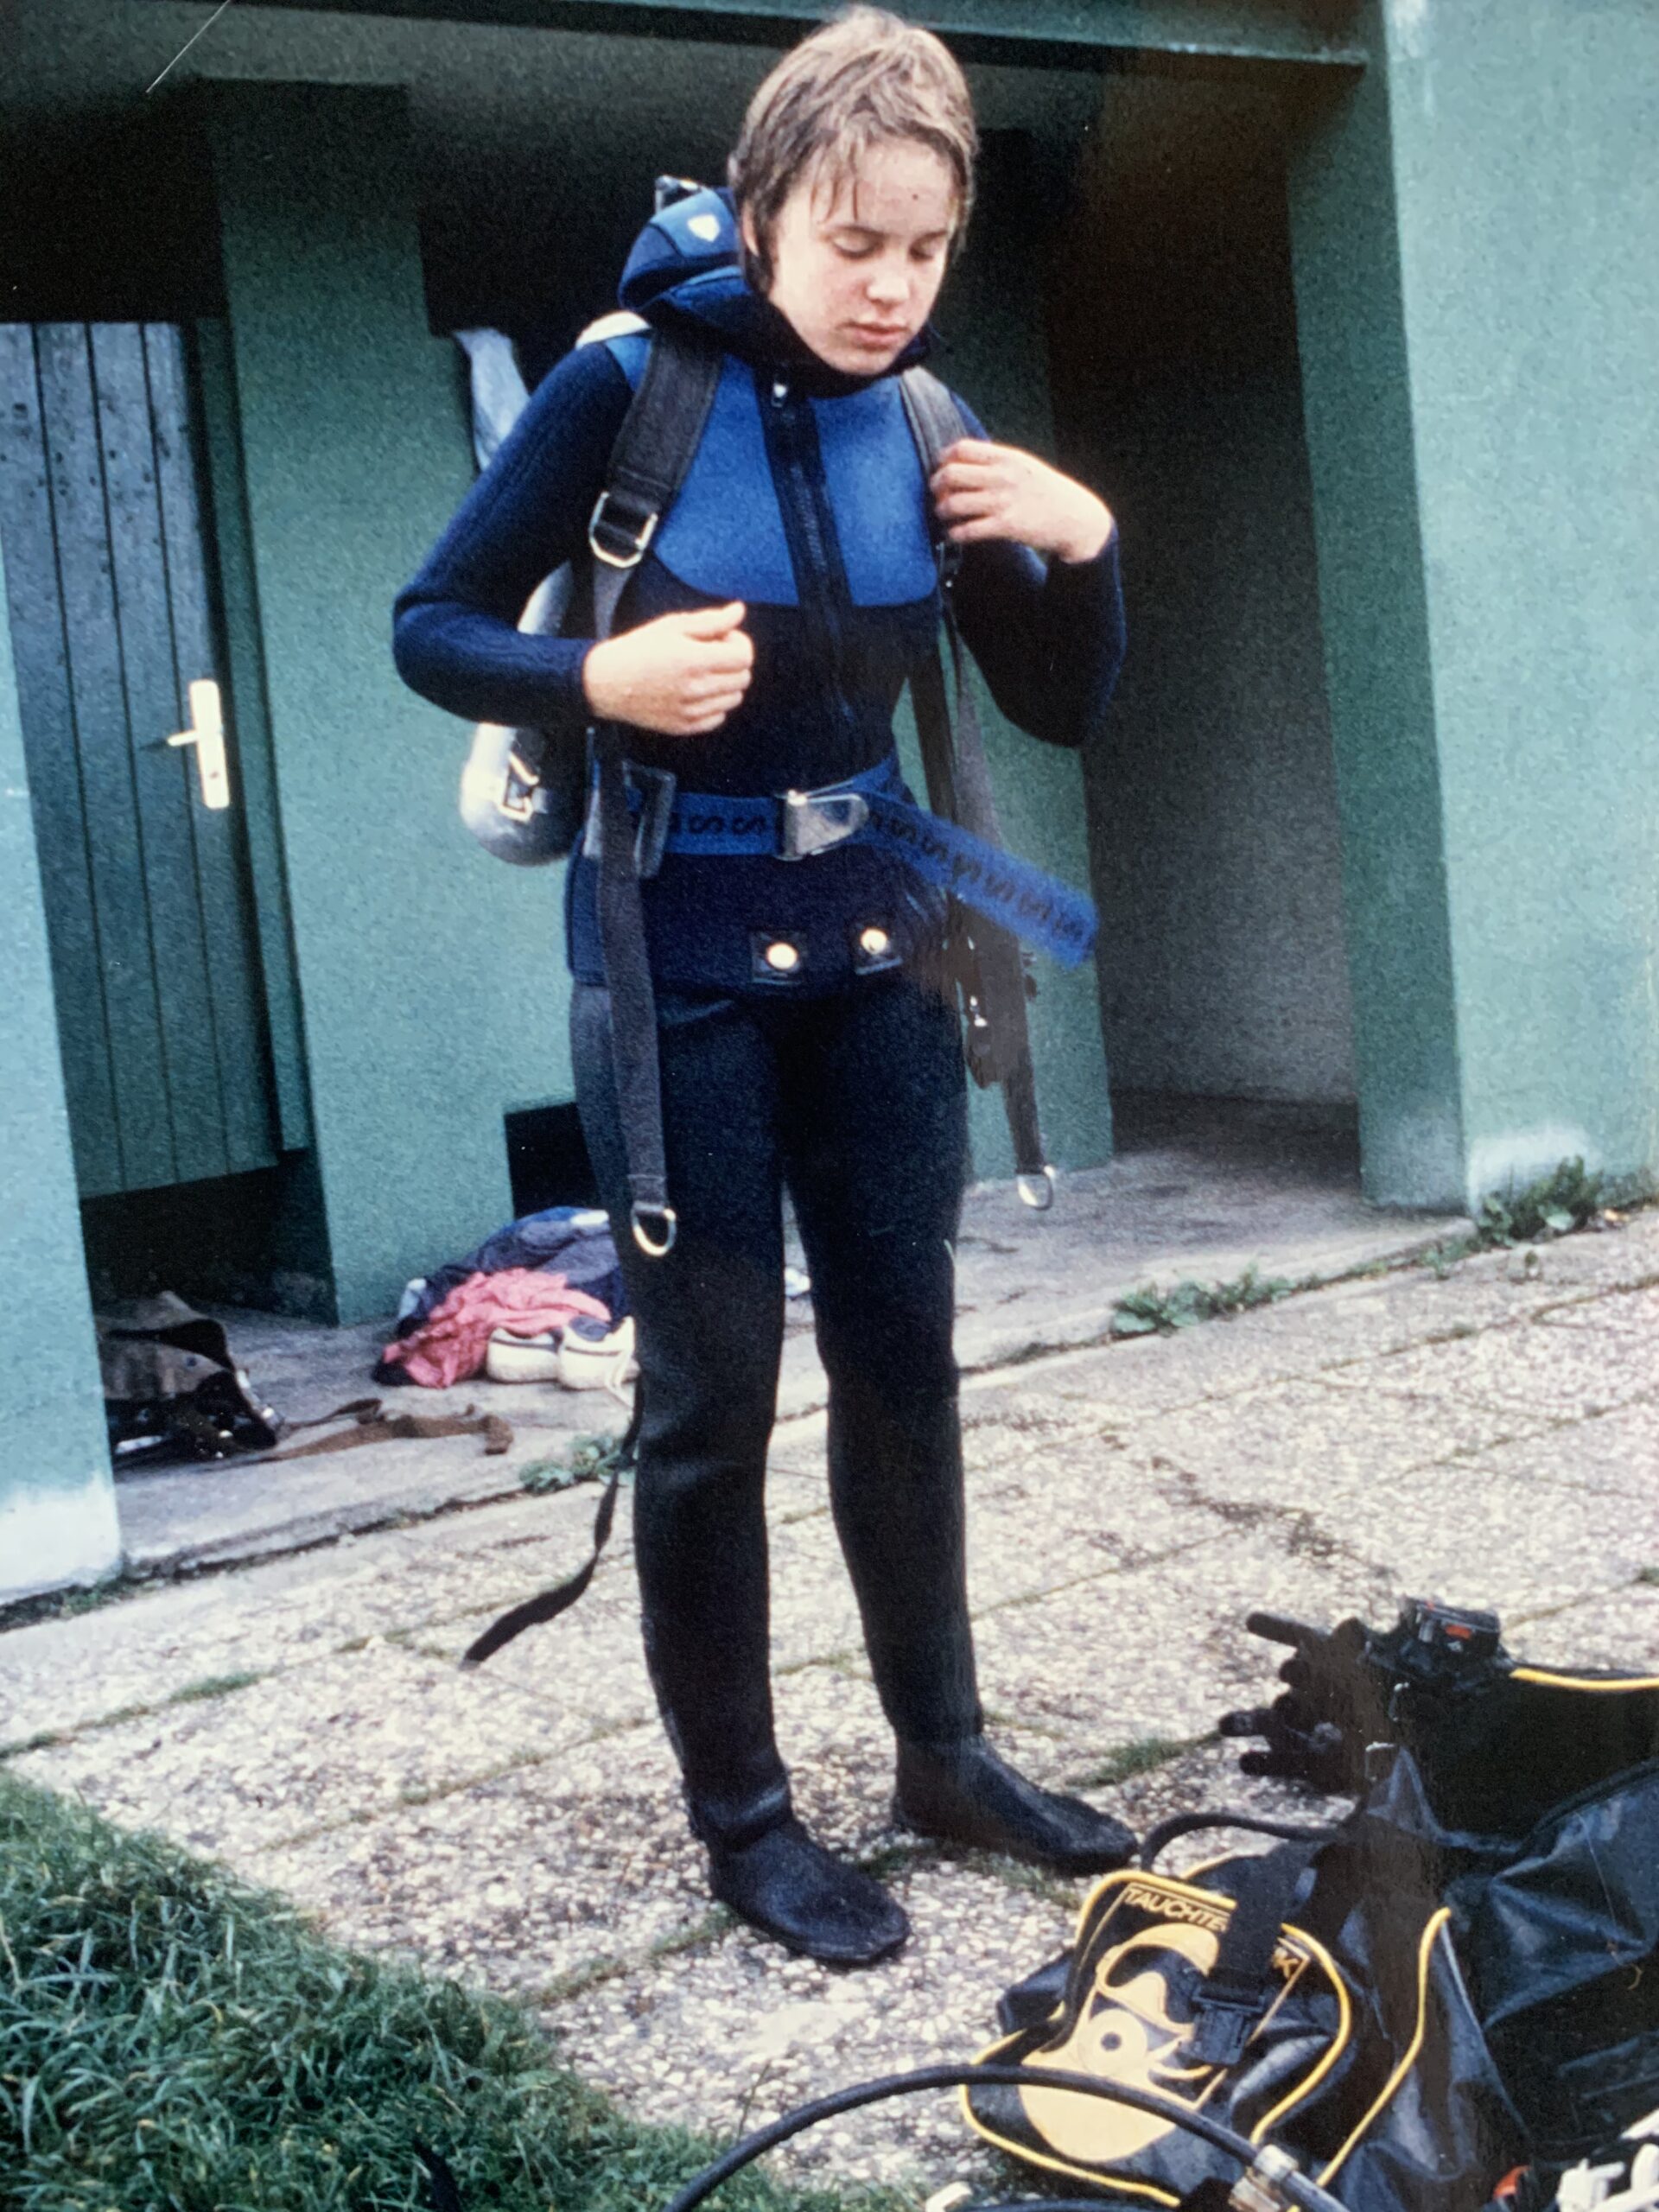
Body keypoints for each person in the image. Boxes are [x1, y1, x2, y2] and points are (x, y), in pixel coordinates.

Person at [393, 5, 1129, 1967]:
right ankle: (747, 1825)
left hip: (879, 961)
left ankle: (945, 1758)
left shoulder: (933, 422)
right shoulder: (627, 387)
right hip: (679, 972)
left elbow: (1059, 701)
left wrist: (1087, 547)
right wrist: (595, 679)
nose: (891, 287)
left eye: (926, 248)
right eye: (853, 243)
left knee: (907, 1368)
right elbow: (430, 624)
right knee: (711, 1406)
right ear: (763, 211)